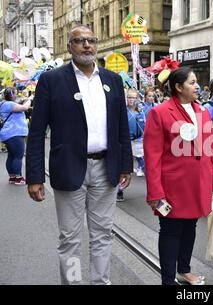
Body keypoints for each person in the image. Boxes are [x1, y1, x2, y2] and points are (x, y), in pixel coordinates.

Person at [26, 25, 133, 284]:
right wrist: (34, 176)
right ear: (69, 46)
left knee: (103, 234)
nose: (86, 45)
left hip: (106, 168)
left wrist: (125, 165)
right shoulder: (52, 81)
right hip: (69, 169)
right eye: (80, 41)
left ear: (96, 45)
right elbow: (37, 131)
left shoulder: (112, 80)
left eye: (91, 40)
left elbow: (121, 126)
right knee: (70, 239)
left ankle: (100, 282)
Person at [144, 66, 213, 285]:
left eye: (196, 81)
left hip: (198, 184)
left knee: (190, 227)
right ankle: (168, 278)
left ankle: (184, 270)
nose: (197, 86)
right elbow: (152, 157)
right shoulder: (159, 112)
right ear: (178, 87)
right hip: (172, 187)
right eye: (191, 82)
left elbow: (212, 148)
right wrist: (155, 193)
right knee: (171, 231)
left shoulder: (202, 111)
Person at [0, 87, 31, 185]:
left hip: (9, 133)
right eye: (15, 93)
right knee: (18, 156)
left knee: (12, 156)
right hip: (14, 133)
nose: (16, 95)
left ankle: (12, 177)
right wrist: (29, 99)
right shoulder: (9, 104)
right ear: (12, 94)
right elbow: (25, 108)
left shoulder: (4, 104)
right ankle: (18, 178)